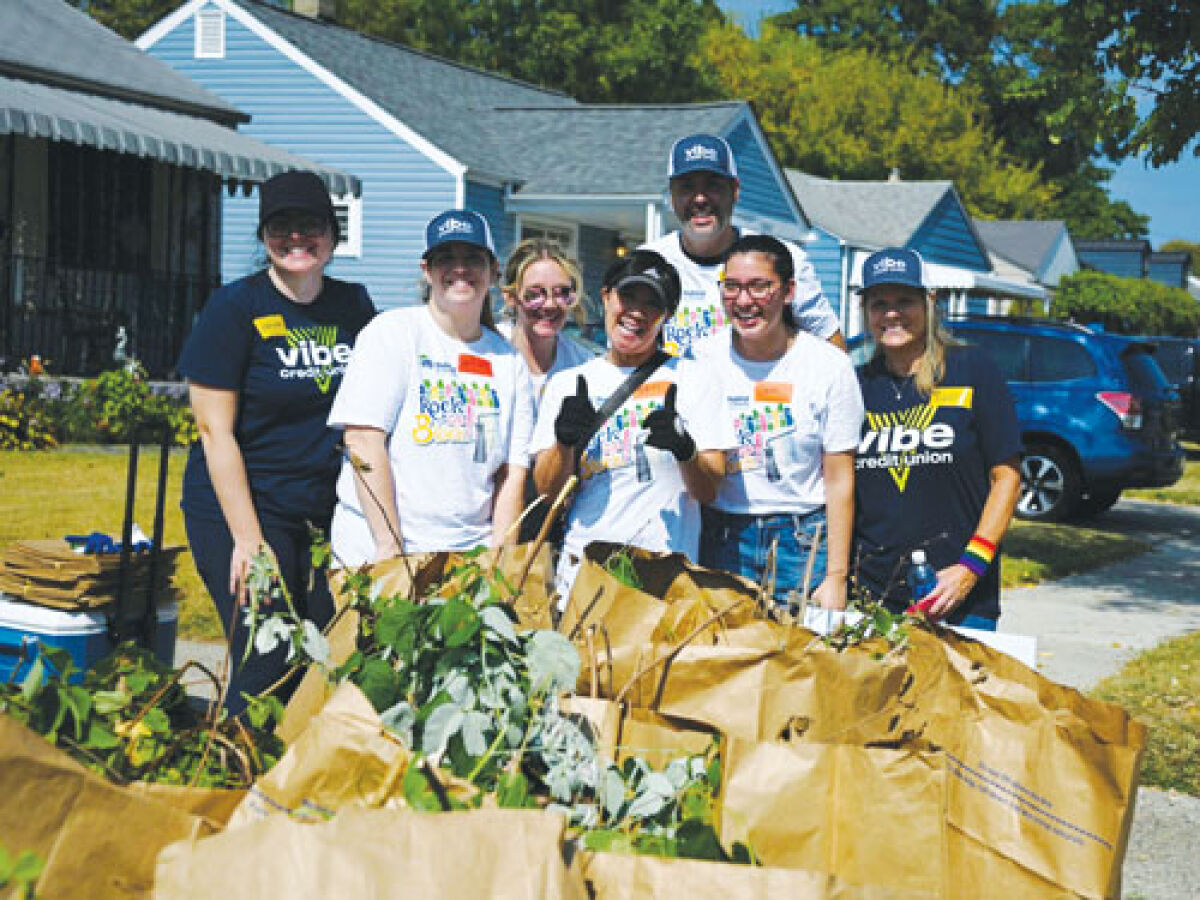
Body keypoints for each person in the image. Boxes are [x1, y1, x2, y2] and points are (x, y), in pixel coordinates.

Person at [178, 170, 375, 713]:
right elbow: (214, 431)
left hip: (321, 511)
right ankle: (237, 777)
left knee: (324, 650)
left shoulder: (353, 307)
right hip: (243, 508)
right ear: (264, 236)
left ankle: (295, 779)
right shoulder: (234, 309)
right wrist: (247, 538)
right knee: (266, 660)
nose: (296, 238)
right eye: (281, 226)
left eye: (310, 225)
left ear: (332, 237)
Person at [328, 210, 534, 564]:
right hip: (381, 549)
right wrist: (389, 549)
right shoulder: (393, 332)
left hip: (469, 555)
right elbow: (363, 441)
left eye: (472, 258)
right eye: (445, 259)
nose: (460, 269)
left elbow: (511, 473)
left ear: (494, 271)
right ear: (427, 269)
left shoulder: (509, 361)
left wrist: (501, 559)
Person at [531, 250, 731, 597]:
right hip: (585, 572)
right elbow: (548, 493)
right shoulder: (567, 383)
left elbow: (709, 491)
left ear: (667, 315)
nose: (637, 312)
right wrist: (564, 443)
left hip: (667, 575)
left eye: (652, 303)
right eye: (628, 296)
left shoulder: (695, 379)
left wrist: (685, 450)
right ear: (606, 295)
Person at [852, 248, 1022, 630]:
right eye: (880, 303)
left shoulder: (972, 368)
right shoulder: (857, 386)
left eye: (905, 301)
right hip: (870, 598)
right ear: (866, 310)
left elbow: (1007, 478)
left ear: (930, 303)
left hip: (958, 596)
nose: (892, 313)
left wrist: (970, 567)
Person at [695, 234, 862, 610]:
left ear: (788, 291)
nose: (744, 300)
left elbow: (839, 479)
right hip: (720, 536)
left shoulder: (829, 366)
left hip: (801, 542)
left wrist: (836, 576)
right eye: (732, 287)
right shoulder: (702, 360)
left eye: (759, 286)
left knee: (799, 663)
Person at [641, 133, 844, 358]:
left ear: (735, 190)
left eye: (713, 186)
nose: (700, 199)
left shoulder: (782, 259)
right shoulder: (648, 263)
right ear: (671, 195)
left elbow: (833, 349)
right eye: (687, 187)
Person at [498, 238, 595, 405]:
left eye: (561, 292)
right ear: (511, 297)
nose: (550, 304)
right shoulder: (489, 354)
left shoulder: (583, 365)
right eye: (534, 294)